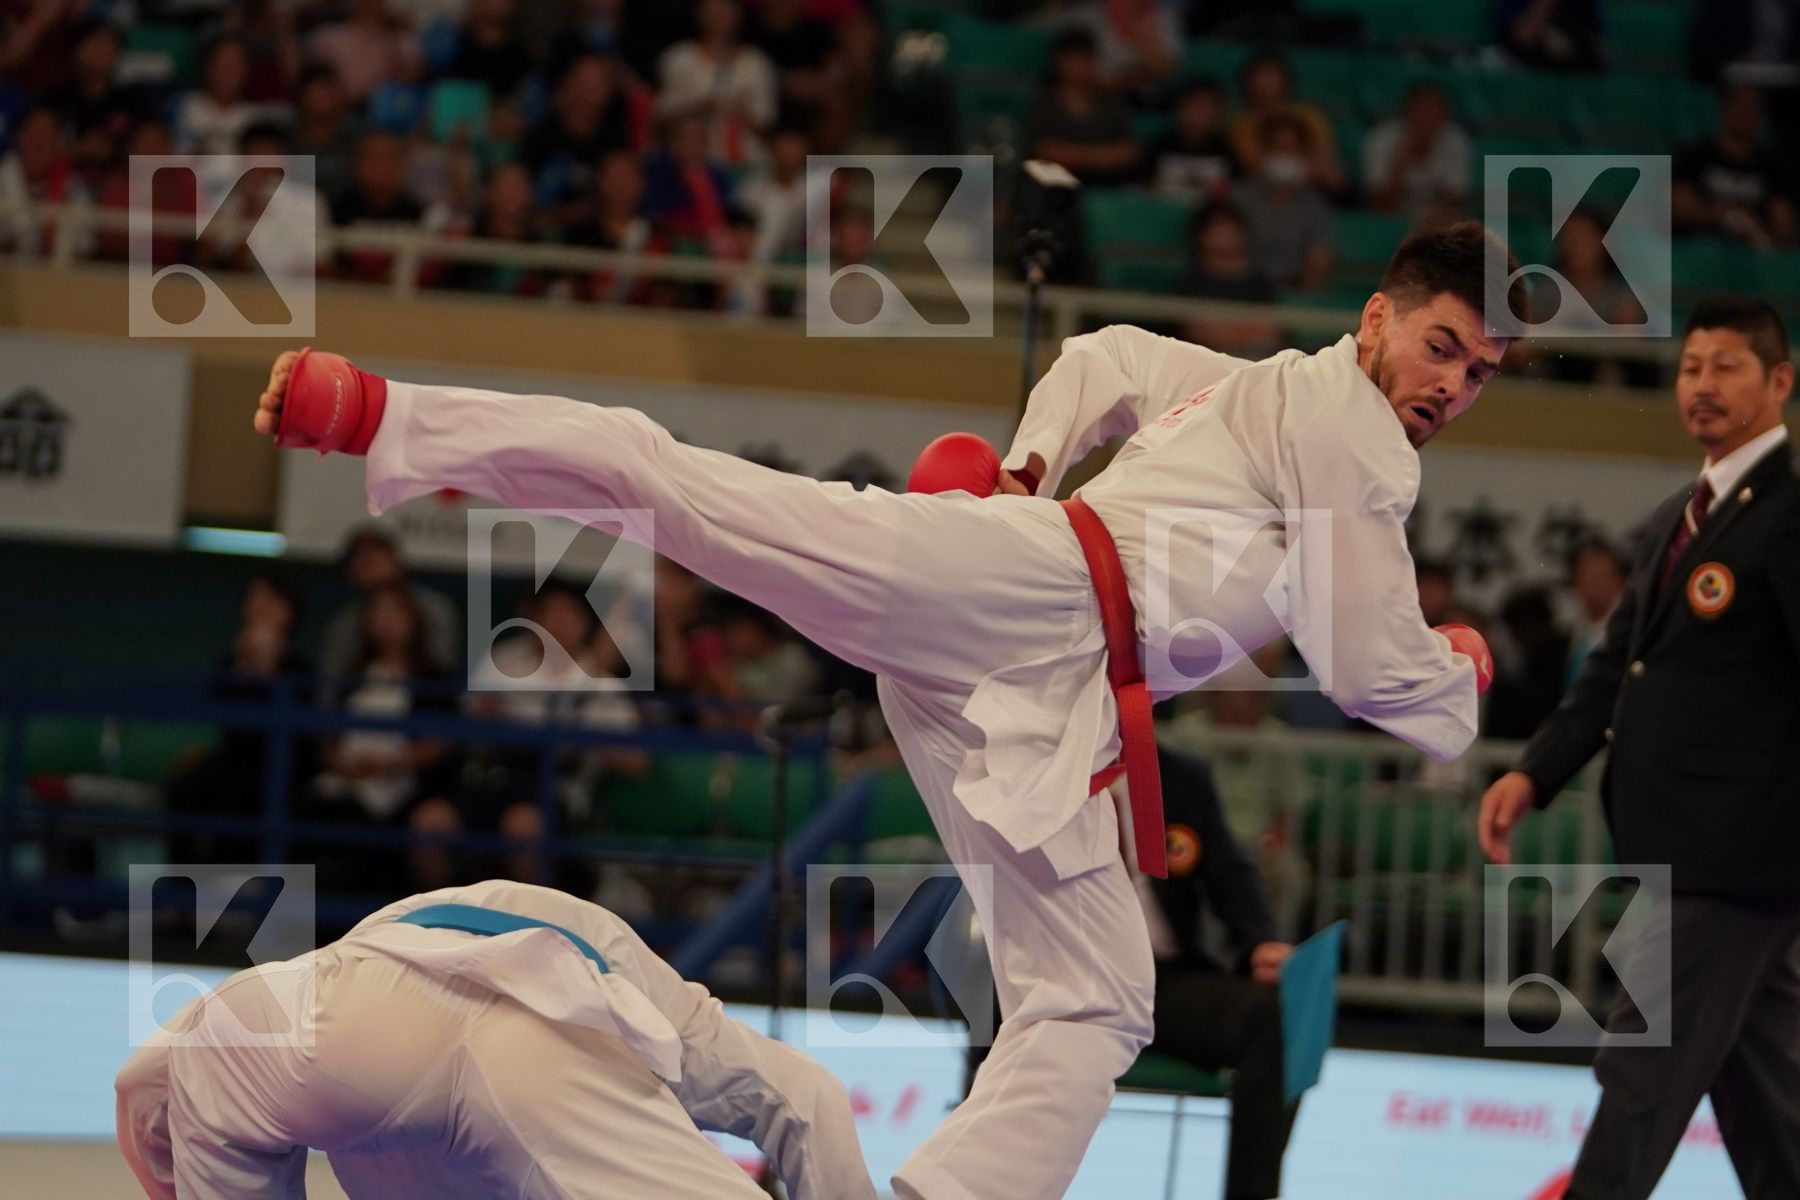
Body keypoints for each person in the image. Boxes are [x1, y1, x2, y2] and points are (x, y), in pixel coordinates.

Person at [253, 219, 1518, 1199]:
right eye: (1443, 347)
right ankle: (373, 410)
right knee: (680, 485)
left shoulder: (1265, 394)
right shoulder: (1360, 439)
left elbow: (1108, 359)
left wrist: (1026, 461)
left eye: (1482, 375)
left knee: (1099, 997)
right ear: (1378, 320)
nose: (1452, 386)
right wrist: (1456, 674)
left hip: (1045, 683)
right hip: (1027, 593)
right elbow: (1366, 669)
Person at [1479, 295, 1800, 1200]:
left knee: (1641, 1073)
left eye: (1727, 366)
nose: (1702, 384)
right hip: (1690, 855)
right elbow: (1612, 673)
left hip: (1739, 858)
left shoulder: (1786, 514)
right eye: (1691, 367)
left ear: (1779, 381)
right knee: (1762, 1092)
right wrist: (1532, 771)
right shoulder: (1675, 518)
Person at [115, 879, 875, 1200]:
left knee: (201, 1073)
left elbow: (150, 1083)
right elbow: (811, 1099)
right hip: (507, 1047)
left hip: (321, 1025)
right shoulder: (666, 1008)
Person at [318, 525, 461, 682]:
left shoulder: (436, 607)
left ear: (395, 559)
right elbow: (330, 685)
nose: (369, 567)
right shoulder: (345, 621)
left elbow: (442, 670)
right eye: (361, 561)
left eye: (373, 558)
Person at [1673, 83, 1795, 250]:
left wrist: (1754, 229)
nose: (1744, 114)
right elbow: (1678, 206)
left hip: (1753, 254)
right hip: (1700, 250)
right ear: (1725, 109)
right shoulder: (1697, 154)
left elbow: (1783, 224)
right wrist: (1718, 214)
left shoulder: (1772, 165)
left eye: (1752, 108)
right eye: (1739, 105)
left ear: (1761, 117)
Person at [1024, 28, 1140, 188]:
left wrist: (1084, 157)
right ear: (1059, 61)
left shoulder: (1109, 103)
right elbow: (1043, 150)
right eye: (1074, 59)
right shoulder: (1045, 103)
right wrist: (1096, 156)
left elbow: (1128, 150)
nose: (1080, 66)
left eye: (1086, 59)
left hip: (1105, 178)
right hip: (1056, 180)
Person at [1363, 81, 1472, 225]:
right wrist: (1402, 161)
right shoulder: (1380, 139)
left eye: (1435, 110)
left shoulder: (1456, 140)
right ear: (1407, 111)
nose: (1428, 117)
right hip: (1389, 218)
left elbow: (1456, 198)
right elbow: (1379, 204)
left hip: (1436, 220)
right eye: (1422, 110)